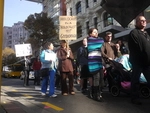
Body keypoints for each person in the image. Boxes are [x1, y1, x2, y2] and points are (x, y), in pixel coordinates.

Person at [128, 15, 150, 105]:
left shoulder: (146, 34)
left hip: (147, 62)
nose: (144, 22)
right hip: (138, 62)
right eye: (141, 21)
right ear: (136, 23)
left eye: (144, 20)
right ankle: (134, 98)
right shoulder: (134, 33)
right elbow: (136, 48)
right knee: (135, 80)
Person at [87, 28, 104, 100]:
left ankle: (97, 92)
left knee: (101, 78)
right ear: (90, 34)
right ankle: (96, 95)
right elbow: (101, 41)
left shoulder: (97, 40)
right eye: (94, 32)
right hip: (93, 62)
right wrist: (100, 42)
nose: (96, 33)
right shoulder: (90, 40)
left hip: (99, 61)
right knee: (96, 78)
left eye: (97, 32)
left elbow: (101, 42)